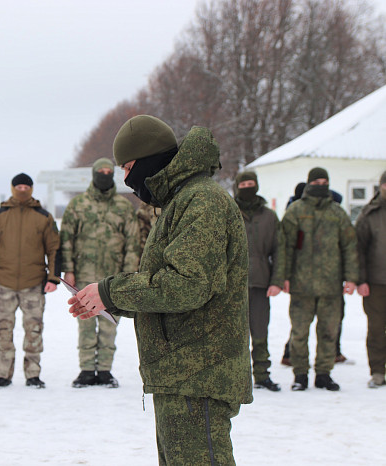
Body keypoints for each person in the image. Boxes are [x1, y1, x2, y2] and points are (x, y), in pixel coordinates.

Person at [69, 115, 252, 465]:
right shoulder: (179, 201)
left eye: (128, 167)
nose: (125, 178)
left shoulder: (202, 201)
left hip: (199, 372)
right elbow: (169, 282)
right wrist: (108, 300)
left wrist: (112, 292)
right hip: (180, 371)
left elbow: (186, 285)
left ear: (150, 160)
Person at [60, 158, 139, 388]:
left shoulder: (123, 207)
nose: (104, 175)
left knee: (109, 323)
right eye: (100, 172)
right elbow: (67, 239)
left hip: (113, 280)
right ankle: (86, 369)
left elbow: (132, 244)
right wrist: (69, 270)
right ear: (94, 175)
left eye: (108, 172)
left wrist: (127, 275)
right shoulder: (78, 205)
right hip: (84, 277)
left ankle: (105, 370)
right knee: (85, 323)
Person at [277, 167, 358, 392]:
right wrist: (283, 276)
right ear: (309, 183)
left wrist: (351, 278)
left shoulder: (337, 213)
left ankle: (324, 374)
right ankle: (300, 374)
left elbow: (349, 247)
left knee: (328, 332)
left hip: (331, 285)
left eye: (325, 181)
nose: (321, 185)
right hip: (302, 284)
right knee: (300, 332)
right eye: (317, 181)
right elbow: (285, 247)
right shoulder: (296, 211)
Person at [0, 173, 61, 389]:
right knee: (4, 330)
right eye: (19, 186)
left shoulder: (43, 217)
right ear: (13, 187)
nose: (22, 189)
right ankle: (3, 374)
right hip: (4, 283)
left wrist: (53, 277)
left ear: (32, 189)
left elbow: (54, 249)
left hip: (33, 283)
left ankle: (33, 374)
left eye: (26, 186)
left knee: (34, 330)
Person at [234, 171, 282, 392]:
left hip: (261, 281)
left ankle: (262, 374)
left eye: (251, 183)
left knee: (260, 332)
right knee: (234, 333)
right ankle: (236, 376)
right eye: (243, 184)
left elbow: (279, 249)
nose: (247, 187)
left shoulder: (269, 216)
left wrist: (277, 280)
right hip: (233, 284)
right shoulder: (229, 211)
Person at [355, 171, 386, 388]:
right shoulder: (370, 214)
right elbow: (359, 250)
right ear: (381, 186)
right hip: (376, 282)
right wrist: (361, 280)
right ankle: (377, 371)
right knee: (376, 329)